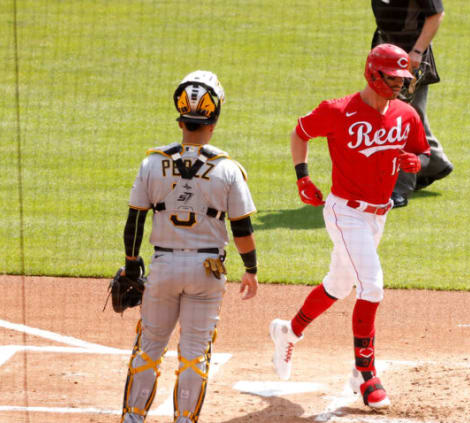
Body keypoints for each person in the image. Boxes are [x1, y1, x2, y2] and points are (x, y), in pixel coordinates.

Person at [269, 44, 430, 409]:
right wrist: (302, 177)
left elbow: (421, 152)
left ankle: (287, 331)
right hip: (345, 213)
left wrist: (415, 163)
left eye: (403, 78)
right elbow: (300, 133)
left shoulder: (406, 115)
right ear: (374, 74)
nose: (401, 85)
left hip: (378, 214)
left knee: (339, 283)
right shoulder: (338, 111)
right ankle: (365, 374)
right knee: (371, 285)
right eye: (394, 78)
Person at [118, 70, 259, 423]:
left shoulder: (152, 162)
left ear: (180, 118)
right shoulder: (227, 169)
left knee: (148, 349)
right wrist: (251, 268)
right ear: (215, 118)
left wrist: (133, 266)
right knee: (195, 354)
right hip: (207, 272)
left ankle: (132, 419)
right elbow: (241, 228)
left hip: (163, 269)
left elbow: (134, 222)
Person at [371, 0, 453, 208]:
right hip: (386, 50)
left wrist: (417, 52)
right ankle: (434, 164)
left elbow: (436, 15)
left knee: (400, 121)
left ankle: (399, 189)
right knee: (411, 116)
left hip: (411, 55)